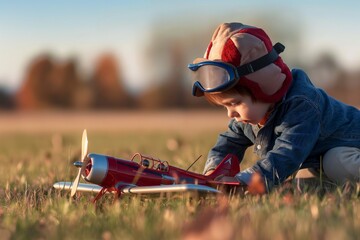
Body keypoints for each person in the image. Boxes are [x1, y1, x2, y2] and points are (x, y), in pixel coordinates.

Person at [187, 22, 360, 193]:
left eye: (235, 103)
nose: (230, 113)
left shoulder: (301, 105)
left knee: (334, 162)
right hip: (318, 159)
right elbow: (228, 143)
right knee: (301, 182)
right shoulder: (248, 116)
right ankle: (336, 185)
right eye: (225, 106)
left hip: (352, 146)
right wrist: (214, 172)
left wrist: (248, 181)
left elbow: (287, 153)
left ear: (264, 88)